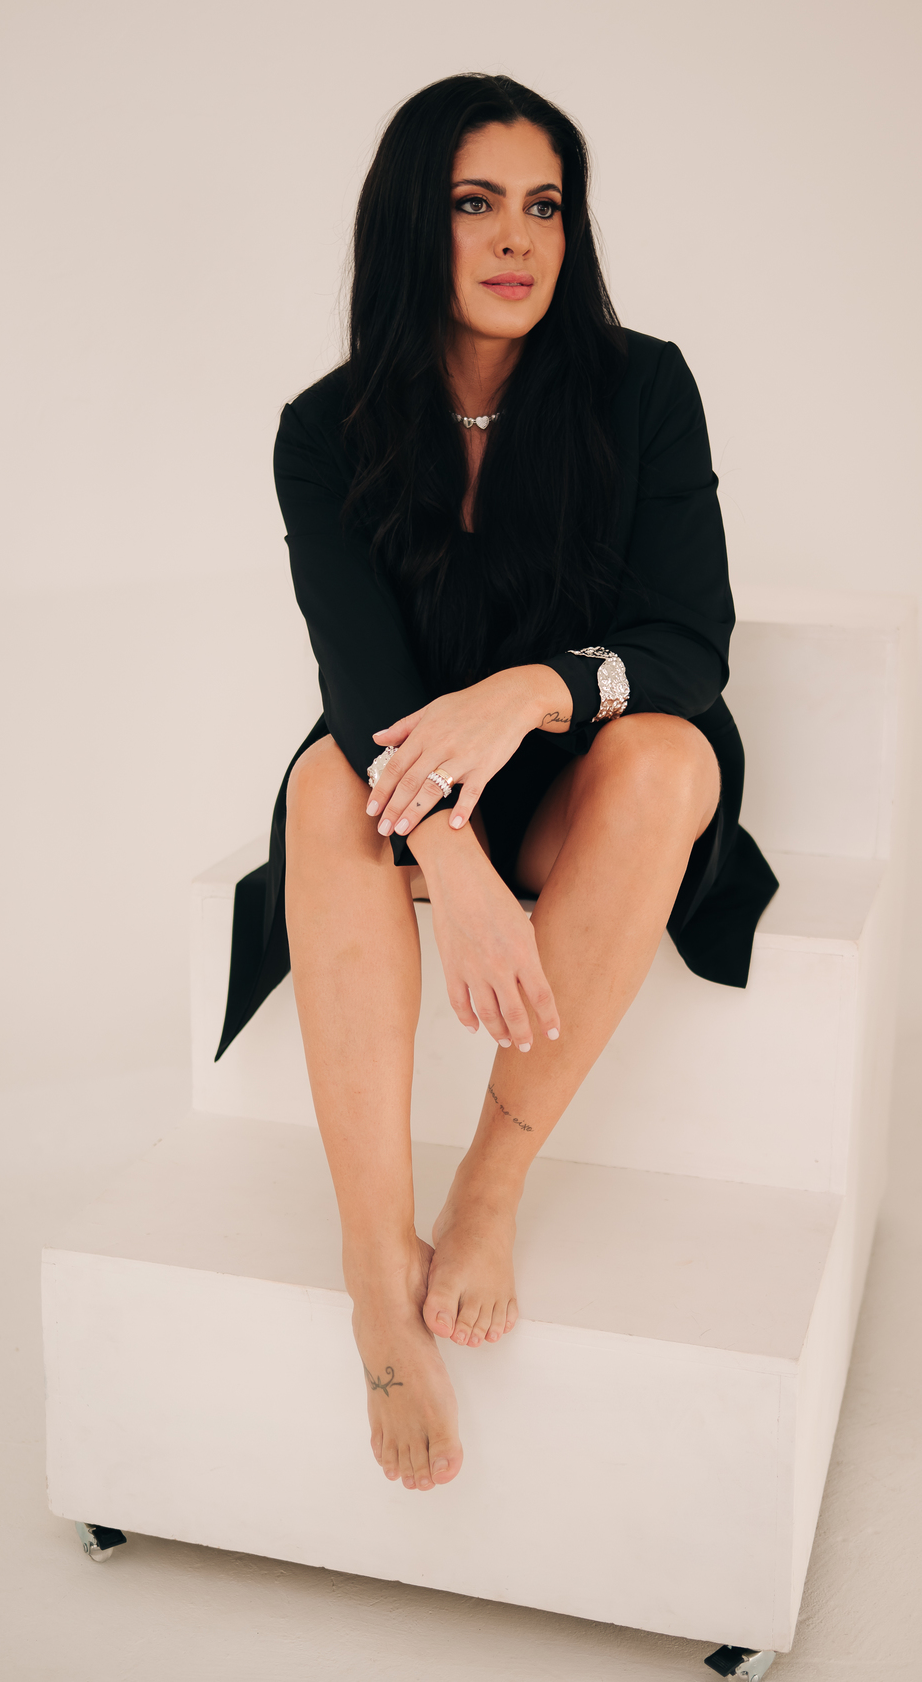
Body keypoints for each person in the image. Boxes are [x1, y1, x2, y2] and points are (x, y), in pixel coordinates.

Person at [215, 73, 777, 1495]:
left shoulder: (643, 386)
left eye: (545, 205)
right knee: (324, 791)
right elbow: (359, 682)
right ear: (415, 221)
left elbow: (689, 642)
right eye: (477, 204)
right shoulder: (324, 427)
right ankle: (372, 1270)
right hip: (409, 772)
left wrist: (535, 687)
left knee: (669, 755)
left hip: (592, 764)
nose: (519, 239)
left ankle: (490, 1183)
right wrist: (453, 867)